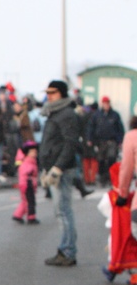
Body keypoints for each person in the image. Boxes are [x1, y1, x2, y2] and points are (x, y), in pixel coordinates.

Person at [40, 79, 81, 266]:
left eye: (53, 92)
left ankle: (67, 250)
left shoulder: (66, 114)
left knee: (63, 211)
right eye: (47, 92)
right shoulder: (55, 112)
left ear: (62, 94)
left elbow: (70, 143)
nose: (49, 96)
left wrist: (58, 168)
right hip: (55, 166)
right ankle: (66, 249)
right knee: (61, 211)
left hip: (62, 169)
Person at [86, 95, 124, 187]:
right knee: (101, 160)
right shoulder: (97, 115)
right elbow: (91, 127)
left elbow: (120, 129)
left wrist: (120, 141)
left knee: (111, 159)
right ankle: (102, 178)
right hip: (100, 141)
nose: (106, 105)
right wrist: (90, 139)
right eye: (104, 103)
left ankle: (110, 178)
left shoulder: (115, 115)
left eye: (107, 103)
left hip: (112, 141)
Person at [12, 141, 40, 224]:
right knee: (31, 201)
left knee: (25, 200)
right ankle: (31, 216)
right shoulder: (28, 161)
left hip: (26, 183)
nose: (34, 153)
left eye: (35, 152)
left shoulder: (31, 160)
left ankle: (18, 215)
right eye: (32, 152)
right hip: (27, 183)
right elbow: (27, 172)